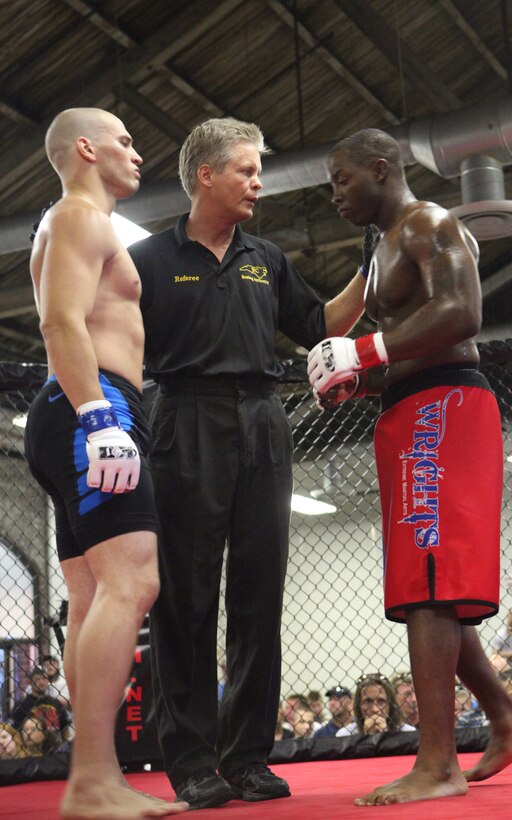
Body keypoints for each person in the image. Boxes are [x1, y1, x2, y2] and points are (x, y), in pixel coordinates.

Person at [128, 116, 366, 810]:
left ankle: (248, 757)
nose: (258, 180)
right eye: (246, 169)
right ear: (206, 175)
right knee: (187, 600)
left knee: (258, 596)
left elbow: (321, 325)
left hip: (264, 420)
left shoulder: (266, 256)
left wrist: (371, 272)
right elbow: (108, 333)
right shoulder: (146, 258)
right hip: (184, 415)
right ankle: (193, 761)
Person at [307, 127, 512, 805]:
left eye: (341, 178)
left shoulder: (429, 222)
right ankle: (505, 718)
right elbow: (394, 351)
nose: (334, 192)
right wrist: (354, 380)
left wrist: (364, 354)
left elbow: (463, 313)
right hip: (408, 411)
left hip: (445, 408)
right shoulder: (374, 255)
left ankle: (438, 763)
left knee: (430, 584)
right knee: (435, 581)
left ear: (381, 168)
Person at [24, 107, 187, 818]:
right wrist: (99, 418)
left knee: (95, 596)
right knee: (132, 582)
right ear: (86, 149)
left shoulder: (79, 223)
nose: (137, 152)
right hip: (92, 405)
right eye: (125, 139)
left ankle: (95, 776)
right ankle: (90, 778)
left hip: (78, 408)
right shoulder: (80, 217)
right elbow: (61, 320)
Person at [336, 674, 415, 736]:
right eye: (367, 701)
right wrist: (366, 739)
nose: (375, 709)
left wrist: (385, 737)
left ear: (391, 704)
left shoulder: (408, 733)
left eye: (381, 701)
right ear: (359, 705)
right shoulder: (345, 734)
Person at [10, 666, 72, 740]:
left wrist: (66, 748)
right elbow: (16, 732)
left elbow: (65, 729)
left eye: (44, 679)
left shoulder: (56, 703)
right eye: (37, 679)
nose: (41, 682)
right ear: (30, 681)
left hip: (55, 747)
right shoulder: (22, 705)